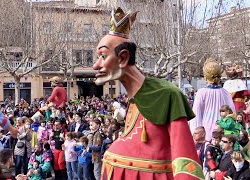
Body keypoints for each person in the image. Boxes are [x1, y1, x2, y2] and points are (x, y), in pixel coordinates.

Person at [93, 7, 203, 179]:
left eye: (103, 56)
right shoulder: (133, 95)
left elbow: (185, 156)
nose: (96, 65)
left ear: (123, 58)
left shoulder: (167, 94)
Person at [189, 58, 235, 141]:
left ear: (206, 77)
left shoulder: (201, 92)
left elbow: (196, 116)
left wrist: (195, 134)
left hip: (206, 133)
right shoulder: (225, 93)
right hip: (223, 133)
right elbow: (232, 113)